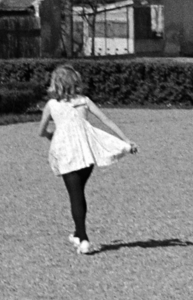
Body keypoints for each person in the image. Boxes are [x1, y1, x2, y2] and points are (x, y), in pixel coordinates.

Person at [36, 64, 137, 255]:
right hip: (86, 153)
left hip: (67, 154)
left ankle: (83, 239)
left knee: (75, 196)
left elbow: (41, 131)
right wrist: (125, 140)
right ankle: (77, 234)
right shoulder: (84, 101)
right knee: (79, 193)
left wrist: (51, 135)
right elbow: (106, 120)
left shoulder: (51, 105)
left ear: (55, 84)